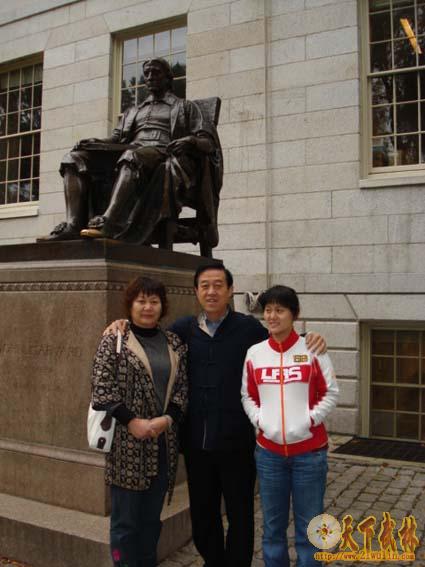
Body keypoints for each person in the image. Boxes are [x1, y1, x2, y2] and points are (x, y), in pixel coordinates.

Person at [104, 264, 327, 567]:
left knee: (240, 515)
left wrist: (310, 337)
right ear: (196, 291)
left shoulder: (247, 328)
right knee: (203, 515)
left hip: (237, 442)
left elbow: (280, 340)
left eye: (218, 285)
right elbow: (148, 334)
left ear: (230, 290)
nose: (211, 292)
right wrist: (121, 324)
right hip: (197, 444)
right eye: (205, 285)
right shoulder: (182, 330)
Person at [40, 58, 222, 248]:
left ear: (168, 78)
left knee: (132, 156)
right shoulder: (134, 111)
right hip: (131, 150)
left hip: (163, 152)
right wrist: (96, 142)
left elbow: (208, 142)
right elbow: (116, 139)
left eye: (155, 72)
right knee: (73, 158)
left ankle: (110, 223)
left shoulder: (185, 107)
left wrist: (190, 141)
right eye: (147, 73)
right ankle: (73, 225)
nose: (150, 77)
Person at [91, 276, 188, 567]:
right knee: (124, 524)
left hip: (162, 443)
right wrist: (132, 422)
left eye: (154, 301)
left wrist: (167, 420)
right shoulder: (115, 339)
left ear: (162, 306)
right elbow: (101, 388)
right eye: (141, 301)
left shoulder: (174, 342)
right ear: (130, 304)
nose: (147, 307)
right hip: (126, 446)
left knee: (151, 521)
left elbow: (182, 389)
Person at [241, 285, 339, 567]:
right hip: (269, 455)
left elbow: (330, 392)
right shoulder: (255, 353)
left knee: (310, 526)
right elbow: (248, 395)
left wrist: (308, 420)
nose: (272, 316)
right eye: (268, 310)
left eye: (280, 310)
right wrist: (260, 421)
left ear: (294, 314)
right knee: (273, 528)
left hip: (309, 454)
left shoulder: (313, 349)